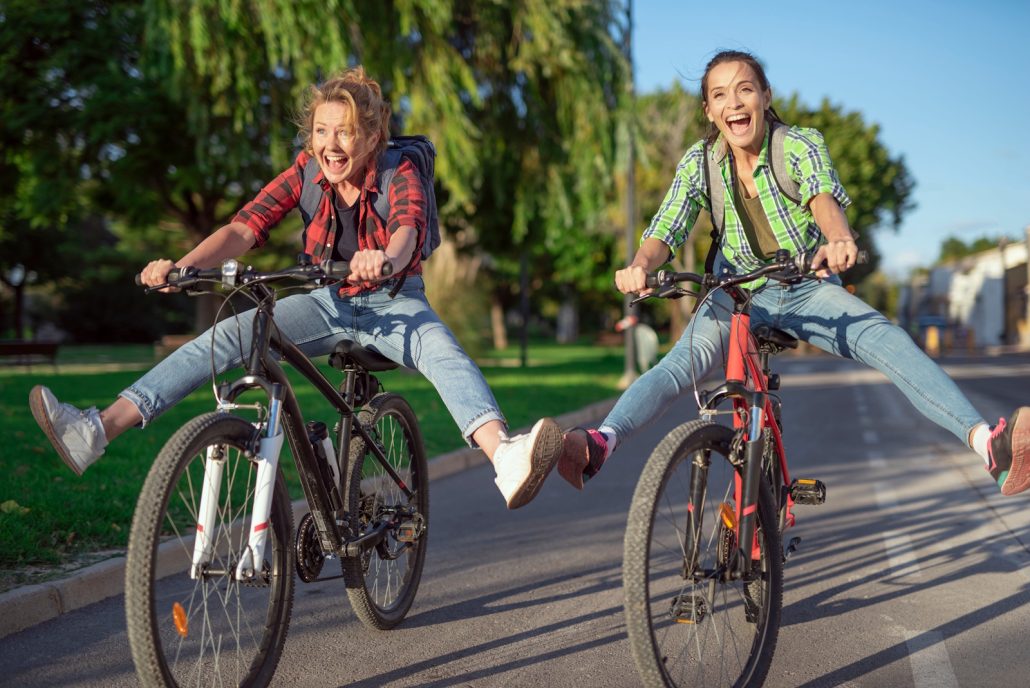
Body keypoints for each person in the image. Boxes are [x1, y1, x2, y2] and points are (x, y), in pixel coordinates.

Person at [28, 66, 561, 510]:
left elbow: (407, 228)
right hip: (324, 303)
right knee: (226, 338)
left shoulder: (401, 169)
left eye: (346, 132)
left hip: (395, 303)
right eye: (322, 131)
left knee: (444, 353)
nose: (332, 144)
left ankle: (505, 455)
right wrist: (182, 267)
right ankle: (97, 429)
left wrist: (384, 259)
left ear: (373, 137)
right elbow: (244, 226)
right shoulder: (305, 170)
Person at [544, 50, 1029, 497]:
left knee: (886, 340)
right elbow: (665, 231)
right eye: (719, 95)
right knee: (676, 367)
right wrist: (639, 267)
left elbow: (823, 199)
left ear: (765, 96)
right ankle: (597, 445)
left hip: (802, 288)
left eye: (745, 89)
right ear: (709, 112)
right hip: (731, 293)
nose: (734, 102)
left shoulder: (797, 146)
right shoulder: (699, 164)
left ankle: (990, 446)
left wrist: (839, 239)